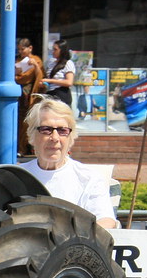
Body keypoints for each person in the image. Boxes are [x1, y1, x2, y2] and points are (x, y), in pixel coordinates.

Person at [19, 98, 118, 230]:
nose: (55, 138)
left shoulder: (89, 179)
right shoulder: (17, 176)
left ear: (70, 136)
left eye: (62, 131)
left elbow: (105, 221)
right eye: (46, 129)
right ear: (32, 134)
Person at [13, 37, 44, 156]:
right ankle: (20, 147)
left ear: (30, 48)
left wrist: (35, 66)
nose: (21, 52)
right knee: (20, 123)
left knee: (29, 122)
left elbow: (38, 76)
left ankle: (27, 147)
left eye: (23, 49)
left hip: (30, 96)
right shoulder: (17, 61)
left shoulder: (36, 60)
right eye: (19, 49)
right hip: (19, 96)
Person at [41, 39, 75, 107]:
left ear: (62, 51)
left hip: (61, 94)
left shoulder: (68, 63)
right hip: (50, 94)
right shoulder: (51, 63)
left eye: (55, 49)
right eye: (52, 49)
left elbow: (69, 82)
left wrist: (50, 80)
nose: (53, 52)